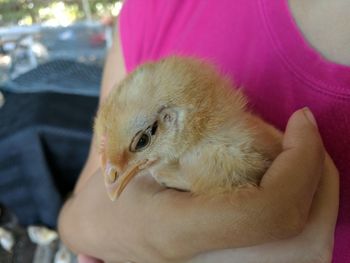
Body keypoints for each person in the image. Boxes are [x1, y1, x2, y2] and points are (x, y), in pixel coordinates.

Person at [58, 0, 349, 262]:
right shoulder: (151, 8)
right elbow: (73, 216)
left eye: (142, 140)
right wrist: (136, 236)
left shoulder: (239, 147)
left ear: (177, 119)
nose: (111, 178)